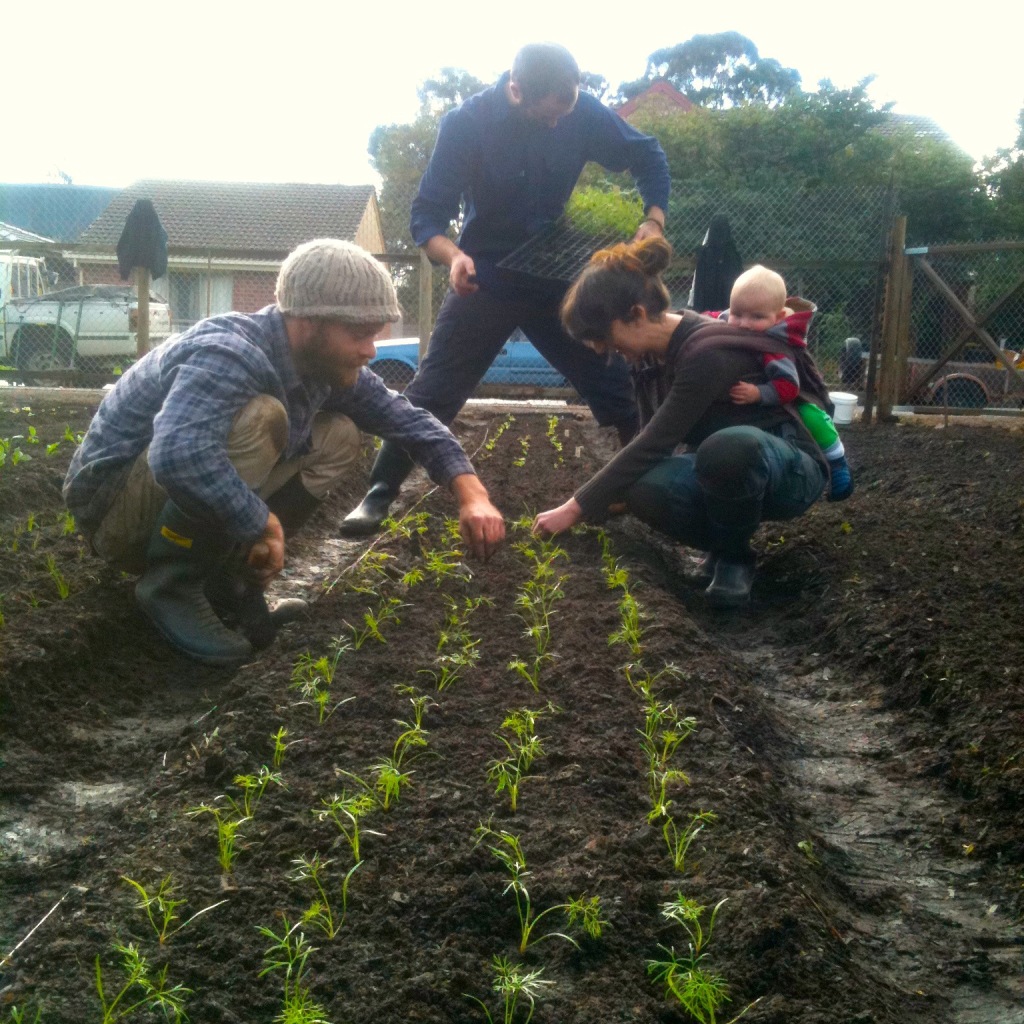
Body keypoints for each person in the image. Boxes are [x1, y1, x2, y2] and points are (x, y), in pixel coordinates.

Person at [64, 239, 505, 666]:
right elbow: (179, 455)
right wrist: (263, 522)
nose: (370, 350)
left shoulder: (320, 363)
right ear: (308, 321)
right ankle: (172, 583)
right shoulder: (229, 353)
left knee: (339, 435)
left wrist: (471, 493)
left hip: (159, 498)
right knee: (263, 416)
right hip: (115, 511)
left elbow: (407, 419)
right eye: (359, 334)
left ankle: (232, 579)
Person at [340, 41, 671, 537]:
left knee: (612, 380)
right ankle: (380, 492)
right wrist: (454, 257)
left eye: (567, 112)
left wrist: (653, 218)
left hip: (558, 276)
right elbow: (426, 215)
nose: (560, 124)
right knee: (435, 388)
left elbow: (648, 155)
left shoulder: (580, 112)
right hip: (488, 275)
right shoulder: (467, 124)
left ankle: (647, 486)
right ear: (516, 90)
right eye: (549, 115)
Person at [532, 236, 828, 608]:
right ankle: (723, 543)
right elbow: (646, 439)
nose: (598, 348)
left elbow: (655, 441)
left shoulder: (706, 354)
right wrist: (611, 498)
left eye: (602, 336)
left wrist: (574, 507)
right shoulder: (650, 355)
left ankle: (734, 559)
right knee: (643, 485)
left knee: (729, 447)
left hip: (791, 468)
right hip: (729, 468)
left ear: (637, 315)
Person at [711, 264, 854, 501]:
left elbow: (789, 387)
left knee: (812, 417)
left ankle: (837, 463)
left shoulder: (774, 345)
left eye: (757, 317)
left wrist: (758, 393)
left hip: (792, 391)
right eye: (737, 314)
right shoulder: (733, 320)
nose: (744, 323)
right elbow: (713, 317)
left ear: (777, 318)